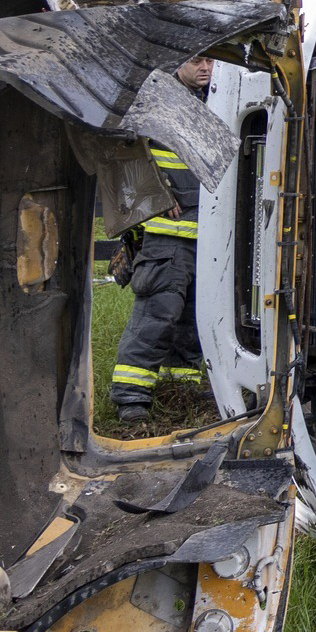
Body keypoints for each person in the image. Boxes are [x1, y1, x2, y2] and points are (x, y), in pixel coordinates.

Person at [108, 54, 214, 424]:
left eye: (211, 62)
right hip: (166, 236)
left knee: (193, 319)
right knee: (158, 313)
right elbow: (124, 151)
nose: (206, 68)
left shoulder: (217, 100)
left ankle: (179, 389)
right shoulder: (155, 100)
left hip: (208, 237)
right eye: (198, 61)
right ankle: (130, 399)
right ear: (179, 63)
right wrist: (154, 194)